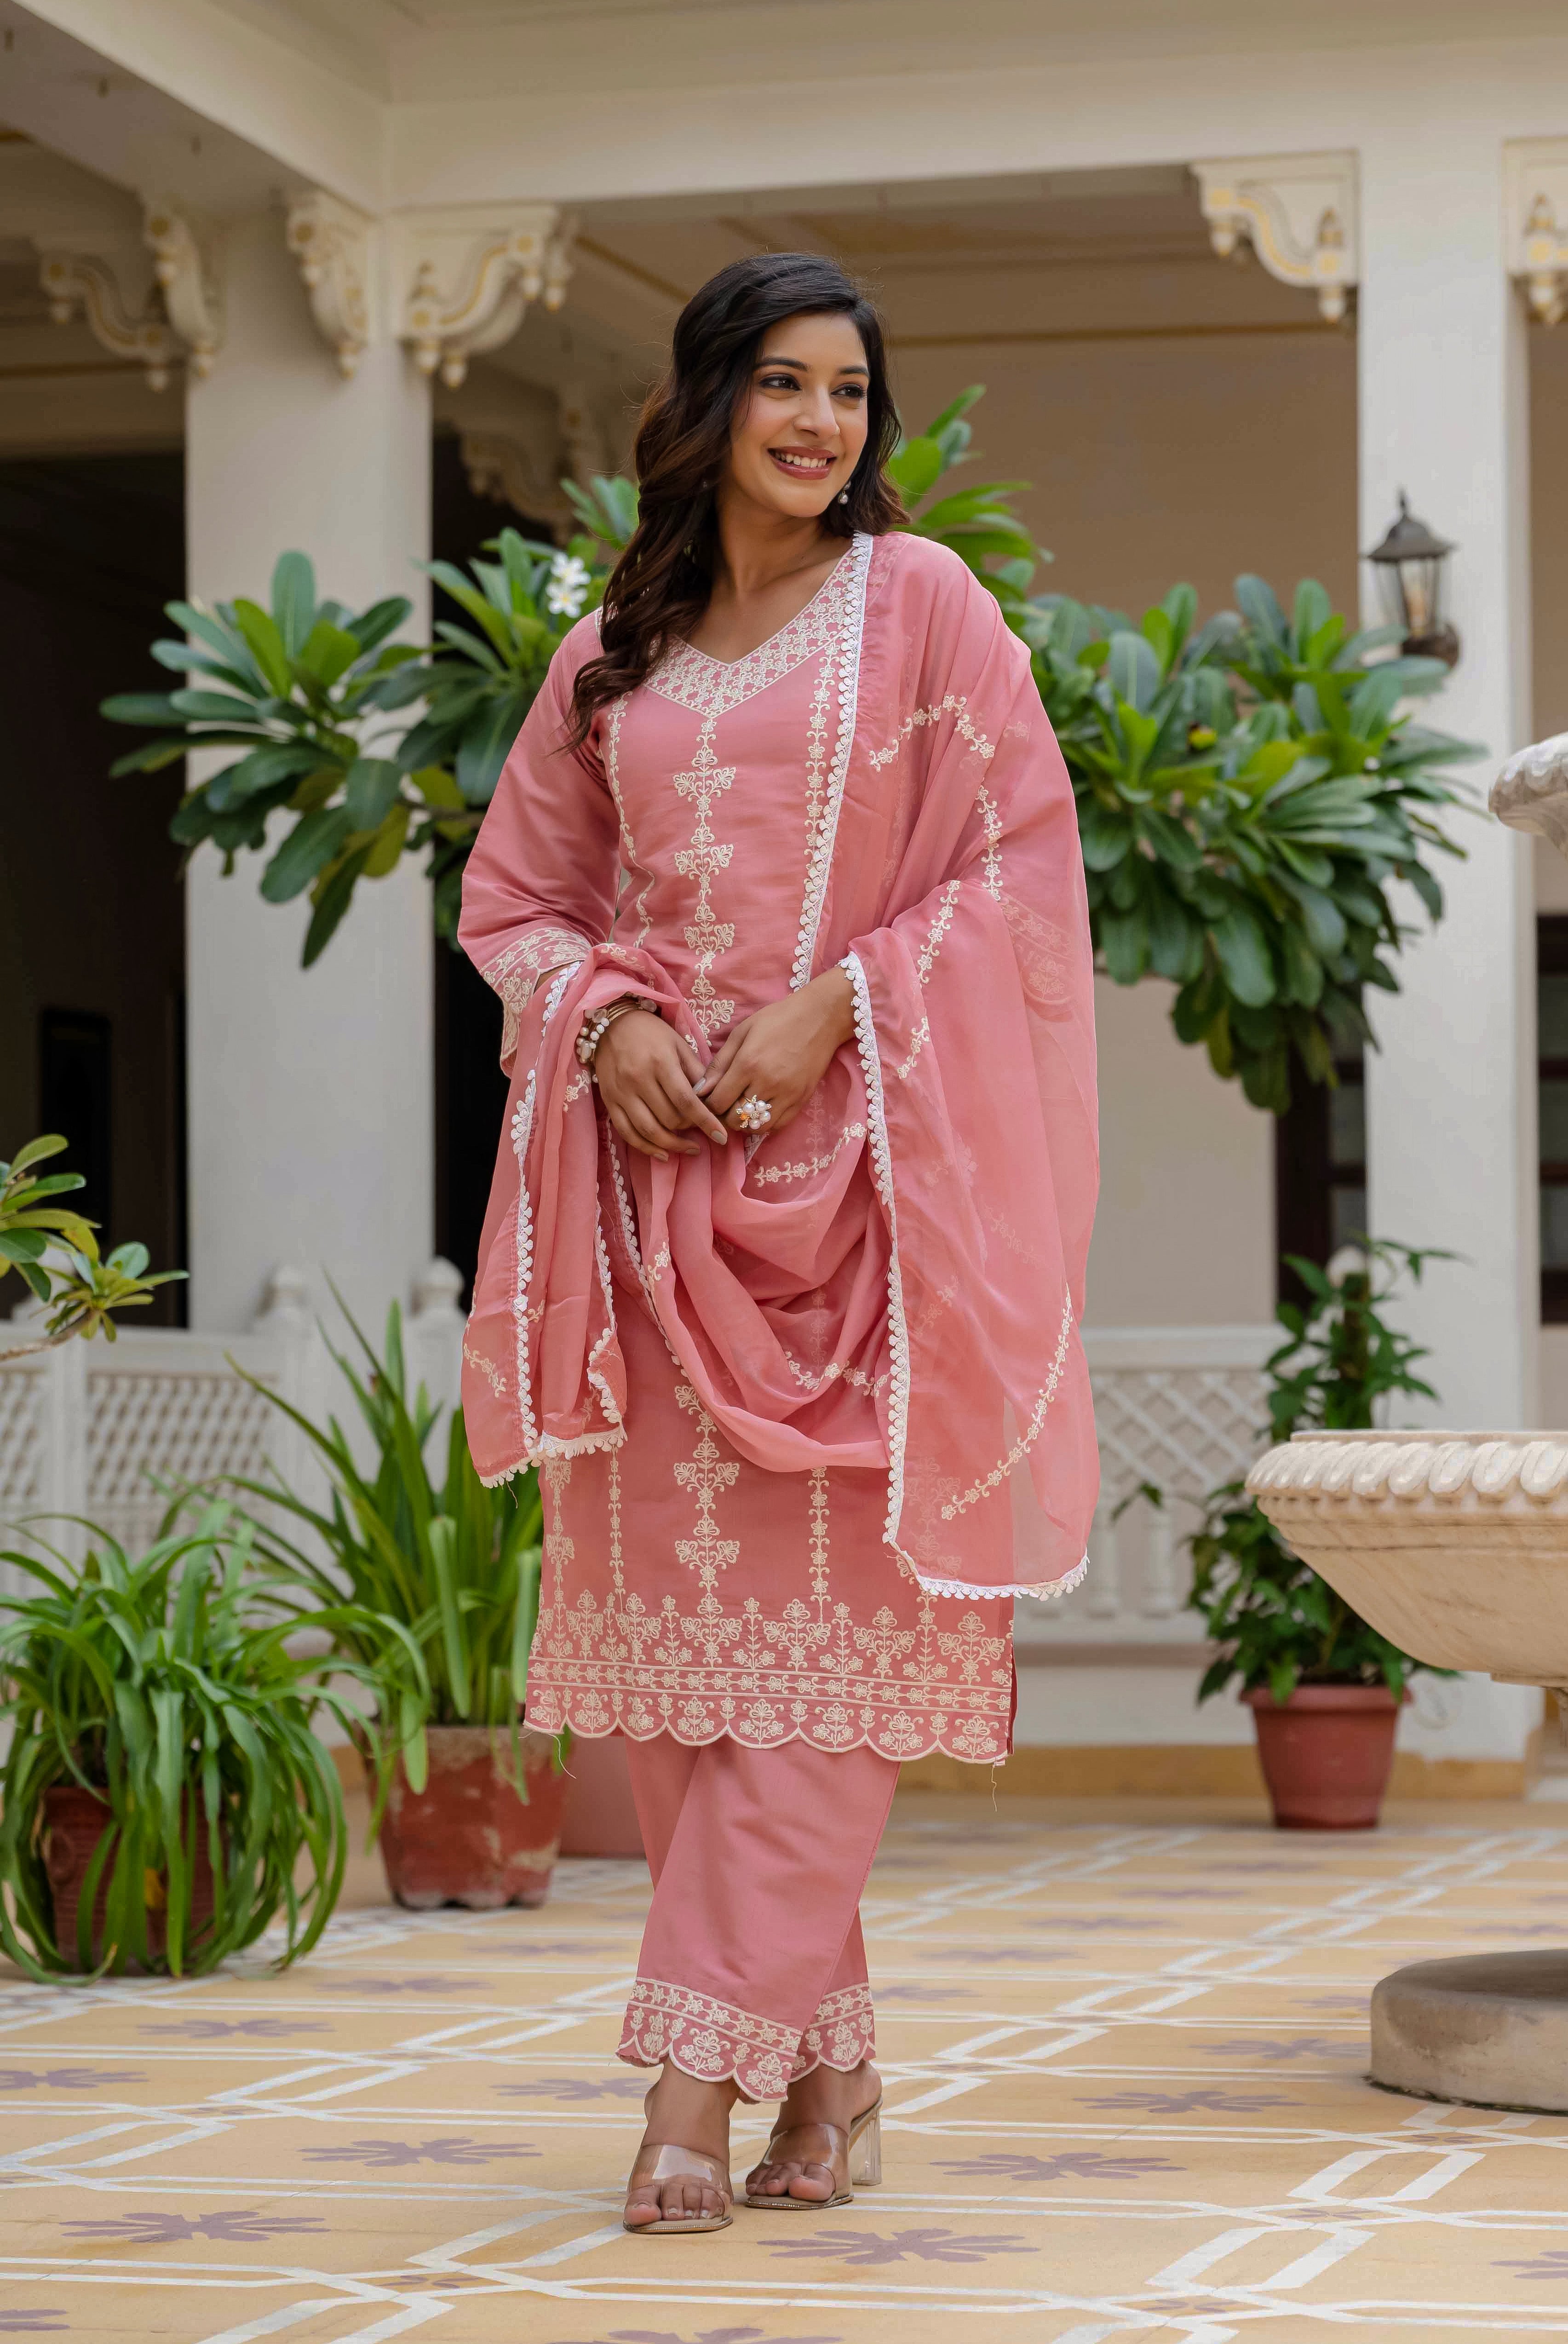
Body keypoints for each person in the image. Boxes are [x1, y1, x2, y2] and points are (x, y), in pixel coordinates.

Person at [457, 253, 1099, 2235]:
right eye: (785, 385)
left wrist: (845, 1002)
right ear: (709, 400)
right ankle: (828, 2072)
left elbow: (1018, 861)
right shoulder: (608, 657)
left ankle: (685, 2089)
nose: (822, 423)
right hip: (650, 1221)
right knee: (689, 1684)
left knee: (826, 1675)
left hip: (866, 1213)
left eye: (850, 392)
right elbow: (515, 903)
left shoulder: (921, 609)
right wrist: (614, 1021)